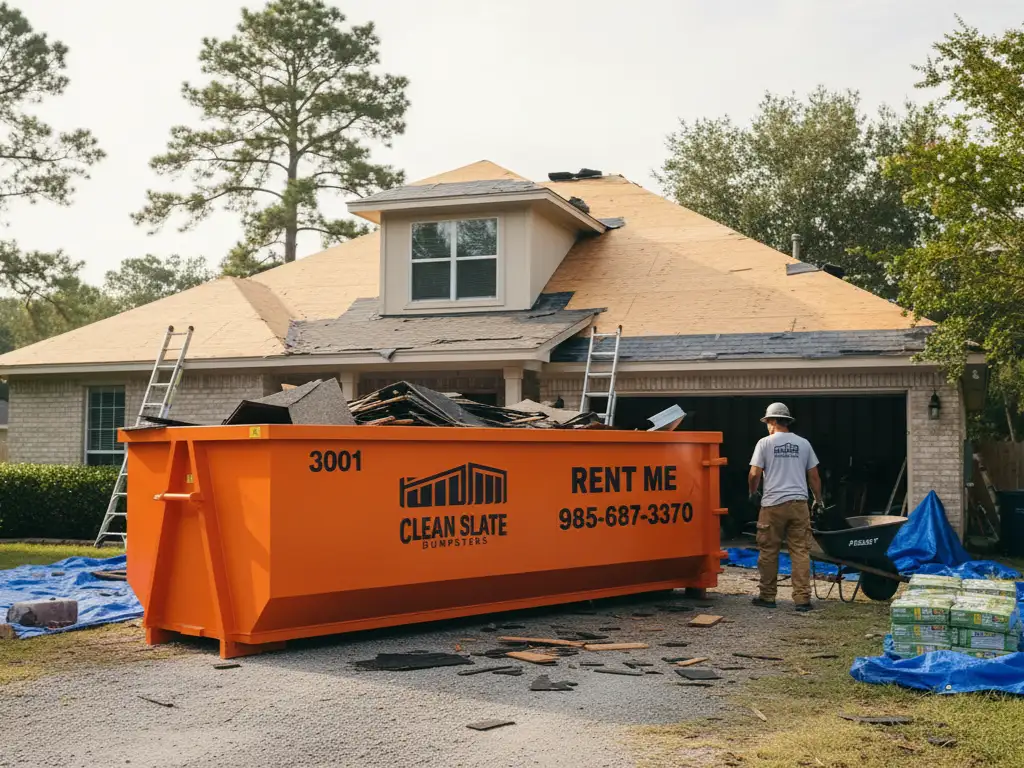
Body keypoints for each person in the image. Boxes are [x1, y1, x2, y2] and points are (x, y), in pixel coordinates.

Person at [747, 402, 823, 612]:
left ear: (771, 421)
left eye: (767, 422)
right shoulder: (804, 444)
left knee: (769, 550)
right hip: (799, 504)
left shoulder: (764, 443)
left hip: (772, 505)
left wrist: (753, 493)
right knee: (800, 551)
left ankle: (768, 596)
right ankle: (802, 600)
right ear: (787, 421)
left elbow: (754, 473)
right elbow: (814, 476)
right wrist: (818, 499)